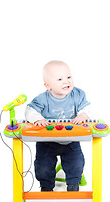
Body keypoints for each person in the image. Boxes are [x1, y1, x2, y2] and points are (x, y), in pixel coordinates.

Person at [25, 60, 92, 191]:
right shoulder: (42, 99)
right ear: (48, 86)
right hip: (46, 141)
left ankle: (73, 185)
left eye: (68, 77)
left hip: (70, 140)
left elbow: (86, 107)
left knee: (76, 164)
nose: (66, 81)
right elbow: (30, 110)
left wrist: (83, 115)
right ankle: (46, 187)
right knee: (43, 166)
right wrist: (37, 119)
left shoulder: (78, 95)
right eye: (60, 79)